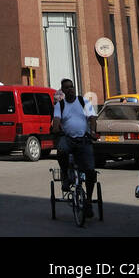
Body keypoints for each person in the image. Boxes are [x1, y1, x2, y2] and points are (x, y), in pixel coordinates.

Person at [51, 78, 98, 217]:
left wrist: (93, 132)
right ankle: (65, 174)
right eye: (67, 87)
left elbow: (93, 117)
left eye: (72, 87)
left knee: (90, 170)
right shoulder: (60, 105)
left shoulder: (84, 102)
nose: (70, 89)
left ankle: (88, 201)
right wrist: (55, 128)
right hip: (68, 138)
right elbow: (57, 121)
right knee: (61, 150)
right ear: (63, 90)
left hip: (83, 139)